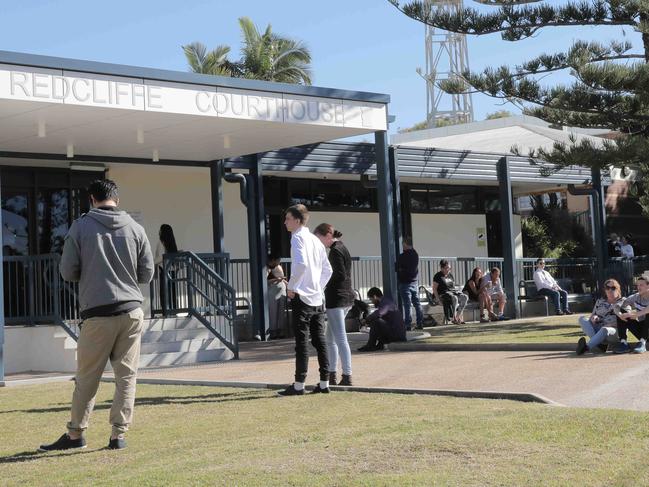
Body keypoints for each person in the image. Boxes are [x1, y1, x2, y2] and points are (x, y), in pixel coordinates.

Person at [39, 179, 154, 452]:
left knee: (87, 378)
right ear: (117, 198)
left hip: (98, 313)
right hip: (132, 312)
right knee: (126, 377)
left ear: (91, 199)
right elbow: (147, 273)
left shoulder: (80, 227)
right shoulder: (136, 228)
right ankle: (118, 436)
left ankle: (76, 434)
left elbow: (67, 272)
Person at [279, 204, 333, 396]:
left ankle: (299, 384)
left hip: (302, 297)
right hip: (318, 298)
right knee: (320, 341)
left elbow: (300, 265)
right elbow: (328, 270)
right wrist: (318, 286)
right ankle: (324, 382)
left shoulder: (297, 238)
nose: (285, 222)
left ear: (297, 220)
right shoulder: (315, 240)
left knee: (302, 342)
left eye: (288, 218)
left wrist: (291, 287)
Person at [314, 223, 355, 387]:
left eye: (319, 238)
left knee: (339, 339)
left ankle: (347, 375)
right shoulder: (341, 247)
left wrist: (319, 281)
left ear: (328, 236)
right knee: (331, 338)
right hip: (344, 298)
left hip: (337, 298)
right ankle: (332, 374)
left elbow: (338, 275)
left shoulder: (335, 251)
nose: (319, 243)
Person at [576, 279, 624, 355]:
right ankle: (600, 345)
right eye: (607, 288)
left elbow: (626, 319)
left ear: (618, 289)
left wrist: (611, 324)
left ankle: (586, 347)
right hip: (599, 327)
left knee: (605, 329)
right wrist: (594, 317)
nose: (610, 290)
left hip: (614, 331)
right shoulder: (600, 301)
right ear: (605, 290)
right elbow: (592, 315)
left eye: (613, 288)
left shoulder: (623, 301)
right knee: (582, 319)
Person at [358, 287, 406, 351]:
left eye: (371, 299)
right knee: (378, 322)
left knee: (376, 322)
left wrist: (366, 320)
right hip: (396, 333)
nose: (372, 302)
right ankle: (380, 344)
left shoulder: (385, 303)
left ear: (375, 296)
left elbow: (379, 313)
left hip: (397, 335)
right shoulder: (386, 301)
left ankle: (370, 345)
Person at [613, 276, 649, 354]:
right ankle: (624, 343)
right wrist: (620, 315)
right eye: (637, 285)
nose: (638, 287)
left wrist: (636, 314)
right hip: (643, 330)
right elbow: (616, 306)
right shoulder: (635, 296)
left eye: (641, 285)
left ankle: (642, 343)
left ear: (648, 285)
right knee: (622, 312)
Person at [397, 237, 423, 330]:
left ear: (404, 244)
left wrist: (400, 270)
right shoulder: (415, 254)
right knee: (417, 303)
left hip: (405, 283)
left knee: (407, 305)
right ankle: (420, 323)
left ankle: (408, 324)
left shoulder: (402, 256)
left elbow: (397, 267)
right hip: (414, 282)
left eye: (403, 244)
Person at [433, 259, 468, 324]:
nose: (449, 270)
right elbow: (434, 289)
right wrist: (438, 300)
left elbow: (452, 287)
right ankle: (453, 318)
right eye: (447, 268)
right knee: (454, 298)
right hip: (442, 295)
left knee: (465, 297)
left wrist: (458, 292)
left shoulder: (450, 275)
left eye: (449, 268)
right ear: (442, 268)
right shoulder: (438, 276)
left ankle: (457, 317)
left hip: (452, 293)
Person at [154, 224, 178, 314]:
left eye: (160, 230)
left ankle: (166, 312)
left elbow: (160, 257)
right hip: (172, 270)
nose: (159, 231)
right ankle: (173, 310)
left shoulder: (161, 242)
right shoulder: (172, 243)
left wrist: (151, 262)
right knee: (172, 292)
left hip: (164, 270)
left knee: (164, 292)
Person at [266, 255, 287, 339]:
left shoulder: (279, 267)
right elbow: (265, 281)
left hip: (282, 289)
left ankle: (281, 330)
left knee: (281, 311)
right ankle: (273, 331)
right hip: (272, 291)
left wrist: (285, 282)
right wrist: (276, 279)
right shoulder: (267, 268)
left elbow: (282, 278)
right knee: (273, 311)